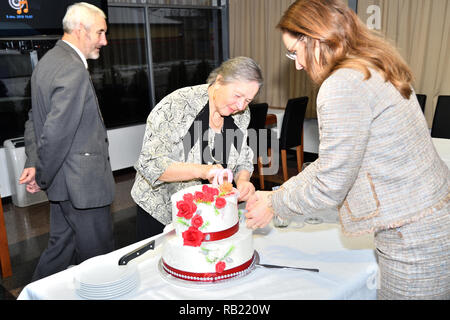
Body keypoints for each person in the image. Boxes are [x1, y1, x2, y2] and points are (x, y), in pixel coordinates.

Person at [245, 0, 449, 300]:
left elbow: (330, 185)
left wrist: (274, 204)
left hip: (413, 235)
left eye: (294, 52)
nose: (298, 64)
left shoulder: (341, 85)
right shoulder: (369, 65)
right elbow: (333, 163)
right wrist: (277, 194)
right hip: (430, 217)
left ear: (314, 40)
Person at [19, 2, 115, 281]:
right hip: (82, 187)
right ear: (79, 30)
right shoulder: (72, 69)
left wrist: (35, 163)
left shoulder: (48, 62)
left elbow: (33, 119)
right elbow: (56, 133)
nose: (104, 41)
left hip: (65, 186)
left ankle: (33, 295)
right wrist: (42, 176)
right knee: (99, 261)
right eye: (99, 33)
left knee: (60, 249)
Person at [131, 56, 262, 240]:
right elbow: (151, 164)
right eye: (237, 96)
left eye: (248, 100)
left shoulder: (240, 114)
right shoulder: (177, 106)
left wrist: (243, 181)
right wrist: (203, 170)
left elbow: (243, 157)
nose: (241, 105)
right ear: (219, 82)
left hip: (205, 211)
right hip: (161, 211)